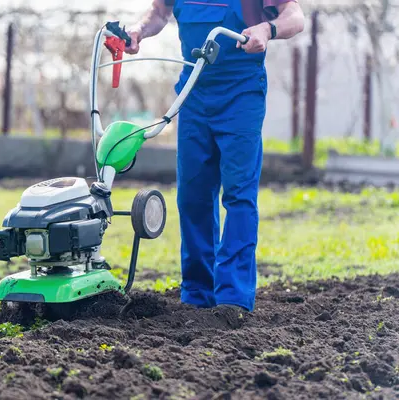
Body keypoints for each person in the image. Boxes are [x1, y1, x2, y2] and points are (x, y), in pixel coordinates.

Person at [124, 0, 305, 320]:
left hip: (241, 91)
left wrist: (268, 28)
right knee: (192, 195)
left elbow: (295, 15)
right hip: (194, 90)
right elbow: (159, 13)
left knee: (238, 194)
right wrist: (139, 30)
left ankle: (233, 296)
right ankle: (197, 292)